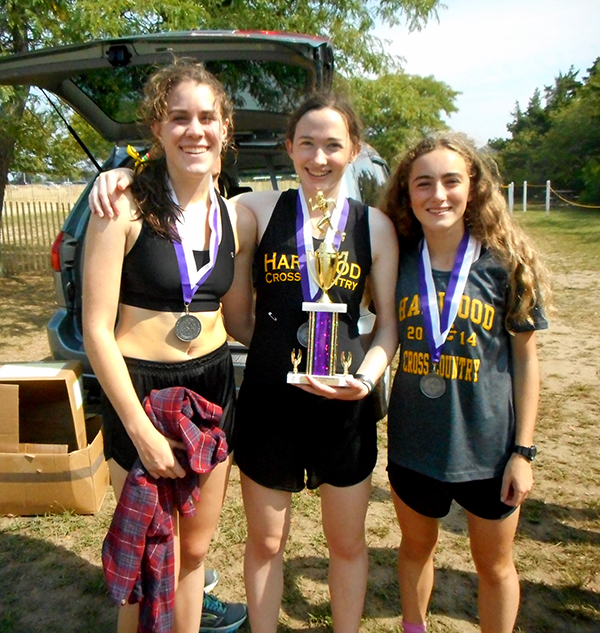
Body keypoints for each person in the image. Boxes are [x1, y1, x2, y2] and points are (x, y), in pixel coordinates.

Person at [90, 92, 399, 633]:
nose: (320, 158)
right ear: (289, 148)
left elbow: (388, 322)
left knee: (347, 543)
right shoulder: (255, 209)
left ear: (353, 151)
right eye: (307, 144)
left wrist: (366, 376)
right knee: (265, 542)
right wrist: (122, 176)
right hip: (269, 404)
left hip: (344, 406)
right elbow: (185, 207)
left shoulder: (375, 226)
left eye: (333, 145)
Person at [83, 59, 255, 633]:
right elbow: (95, 331)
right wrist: (140, 431)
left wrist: (323, 347)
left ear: (225, 129)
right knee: (143, 561)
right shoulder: (121, 206)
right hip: (141, 392)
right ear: (156, 129)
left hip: (212, 388)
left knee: (194, 555)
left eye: (208, 117)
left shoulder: (233, 217)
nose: (194, 129)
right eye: (178, 117)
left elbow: (240, 322)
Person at [380, 132, 551, 633]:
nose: (438, 195)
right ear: (407, 194)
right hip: (415, 445)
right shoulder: (397, 261)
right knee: (414, 550)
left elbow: (526, 359)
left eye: (451, 181)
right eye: (423, 183)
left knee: (494, 565)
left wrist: (523, 451)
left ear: (472, 187)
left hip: (489, 449)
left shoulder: (505, 264)